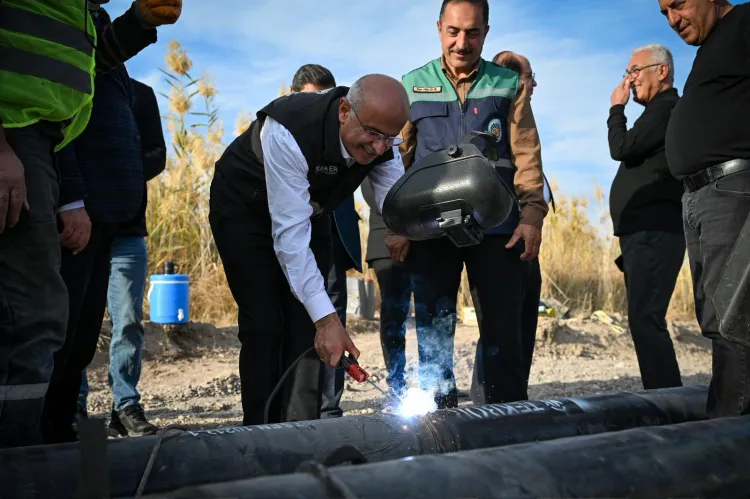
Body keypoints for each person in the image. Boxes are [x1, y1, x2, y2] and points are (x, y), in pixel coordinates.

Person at [0, 0, 180, 449]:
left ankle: (53, 439)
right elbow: (60, 127)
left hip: (107, 208)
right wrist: (71, 195)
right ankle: (30, 450)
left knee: (75, 333)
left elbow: (91, 67)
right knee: (39, 321)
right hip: (55, 180)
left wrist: (139, 22)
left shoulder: (90, 28)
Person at [209, 74, 409, 425]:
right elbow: (290, 239)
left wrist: (407, 227)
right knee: (265, 324)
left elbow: (396, 200)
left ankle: (301, 430)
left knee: (306, 328)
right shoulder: (290, 129)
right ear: (344, 111)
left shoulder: (383, 142)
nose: (379, 148)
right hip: (244, 208)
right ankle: (259, 432)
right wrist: (328, 320)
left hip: (311, 210)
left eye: (389, 138)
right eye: (373, 134)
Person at [398, 0, 547, 408]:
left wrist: (532, 216)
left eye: (473, 32)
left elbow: (527, 153)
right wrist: (396, 225)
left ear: (486, 32)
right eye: (453, 32)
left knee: (503, 336)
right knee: (433, 336)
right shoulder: (412, 84)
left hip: (498, 229)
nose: (462, 43)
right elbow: (397, 161)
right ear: (439, 28)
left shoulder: (508, 84)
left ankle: (504, 423)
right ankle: (438, 426)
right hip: (431, 230)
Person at [660, 0, 750, 417]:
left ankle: (729, 433)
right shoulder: (711, 45)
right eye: (664, 13)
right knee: (715, 318)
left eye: (678, 4)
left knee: (735, 319)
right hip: (701, 196)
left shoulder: (745, 21)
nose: (673, 20)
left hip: (733, 189)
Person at [76, 78, 166, 437]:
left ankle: (125, 405)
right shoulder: (77, 83)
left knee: (128, 321)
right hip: (80, 227)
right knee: (78, 322)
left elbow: (157, 154)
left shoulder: (140, 93)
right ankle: (74, 407)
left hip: (128, 230)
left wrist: (116, 169)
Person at [607, 43, 685, 390]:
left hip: (655, 230)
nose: (630, 79)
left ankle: (668, 403)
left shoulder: (666, 108)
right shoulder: (658, 111)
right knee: (643, 318)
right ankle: (665, 397)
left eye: (636, 71)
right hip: (645, 232)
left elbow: (621, 147)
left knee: (646, 319)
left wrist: (616, 109)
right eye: (628, 73)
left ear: (662, 71)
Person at [287, 63, 360, 419]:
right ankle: (297, 409)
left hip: (334, 234)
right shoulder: (282, 136)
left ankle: (330, 409)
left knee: (334, 316)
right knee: (298, 317)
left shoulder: (347, 134)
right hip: (294, 239)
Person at [361, 177, 413, 400]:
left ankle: (438, 382)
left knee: (434, 312)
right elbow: (372, 190)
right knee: (394, 315)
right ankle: (397, 385)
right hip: (386, 240)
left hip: (428, 237)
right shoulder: (381, 156)